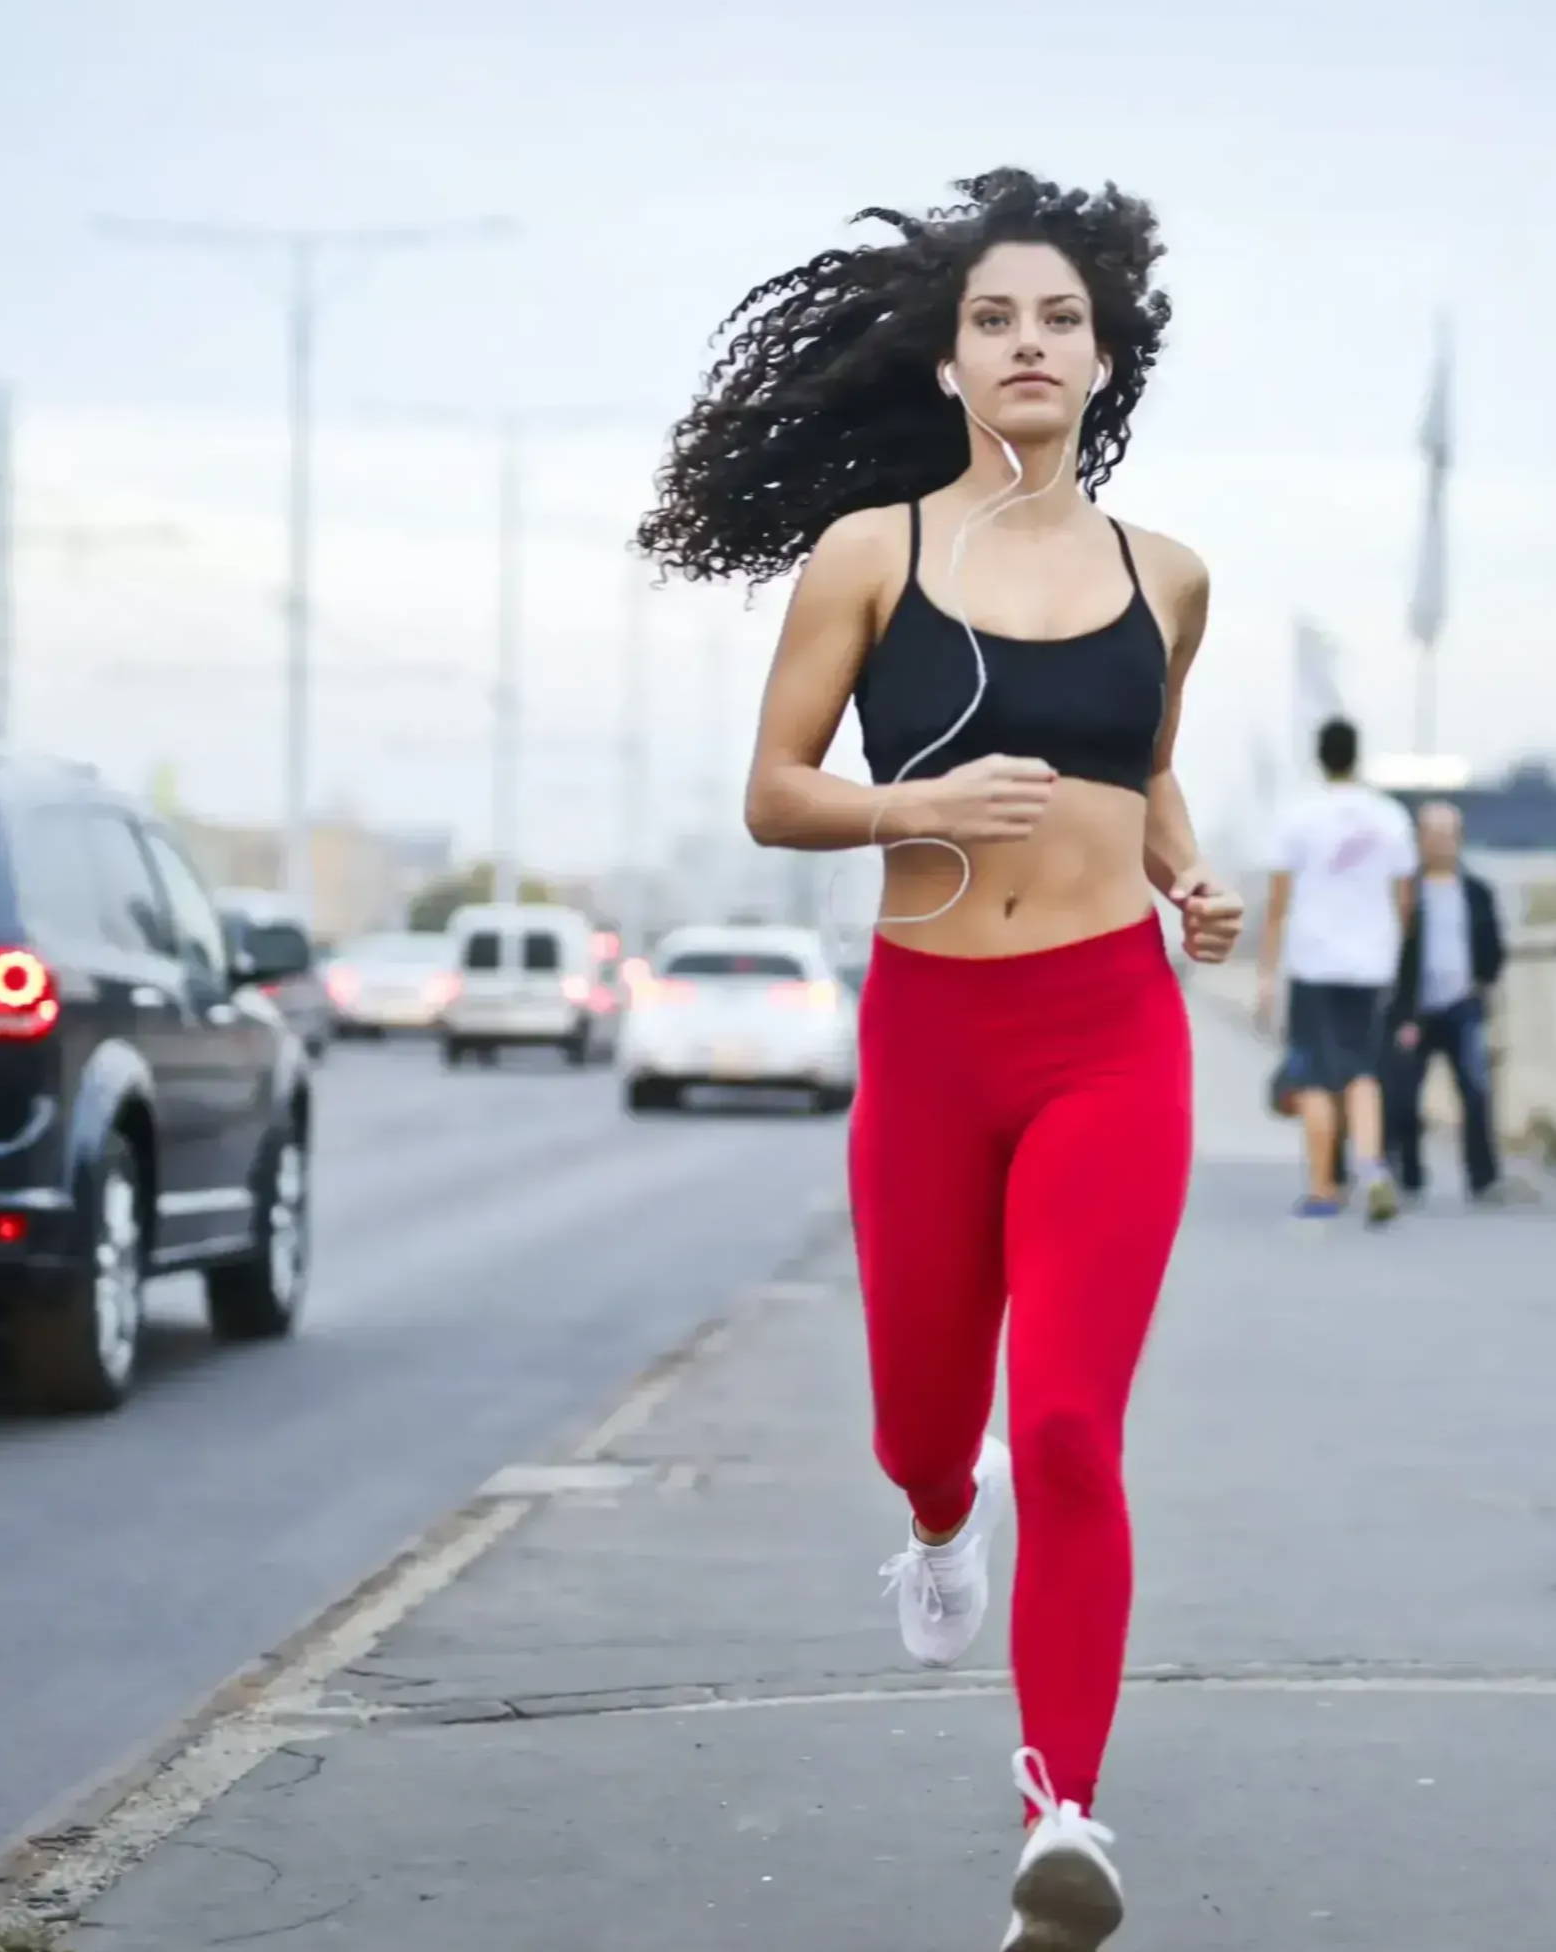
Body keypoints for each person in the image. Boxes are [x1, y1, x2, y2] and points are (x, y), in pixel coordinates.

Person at [637, 168, 1244, 1951]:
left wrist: (1186, 879)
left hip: (1108, 1036)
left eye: (1059, 316)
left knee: (1063, 1421)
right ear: (950, 365)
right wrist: (913, 802)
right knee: (928, 1416)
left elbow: (1141, 771)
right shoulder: (871, 555)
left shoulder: (1170, 575)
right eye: (996, 319)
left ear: (1103, 351)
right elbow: (772, 791)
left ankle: (1062, 1812)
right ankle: (928, 1519)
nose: (1029, 342)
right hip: (931, 1029)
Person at [1256, 718, 1416, 1223]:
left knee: (1317, 1077)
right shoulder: (1389, 817)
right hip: (1371, 963)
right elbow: (1405, 901)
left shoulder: (1300, 816)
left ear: (1320, 756)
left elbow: (1278, 903)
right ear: (1357, 755)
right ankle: (1372, 1167)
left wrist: (1266, 972)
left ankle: (1324, 1188)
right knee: (1363, 1071)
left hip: (1314, 960)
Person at [1385, 801, 1505, 1201]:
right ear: (1419, 840)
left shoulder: (1476, 892)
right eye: (1431, 834)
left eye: (1447, 834)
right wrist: (1401, 1012)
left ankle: (1483, 1178)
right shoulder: (1405, 892)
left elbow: (1492, 947)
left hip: (1462, 1006)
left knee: (1475, 1091)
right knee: (1403, 1096)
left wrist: (1483, 983)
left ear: (1459, 839)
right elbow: (1394, 953)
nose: (1440, 843)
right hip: (1414, 1011)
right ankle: (1409, 1174)